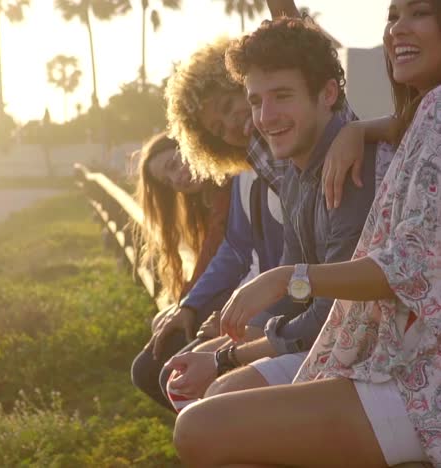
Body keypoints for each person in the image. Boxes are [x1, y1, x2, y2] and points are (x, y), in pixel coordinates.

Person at [173, 1, 441, 466]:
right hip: (389, 359)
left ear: (329, 94)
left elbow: (407, 268)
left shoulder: (357, 167)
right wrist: (361, 130)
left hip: (416, 377)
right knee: (207, 415)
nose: (398, 28)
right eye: (392, 16)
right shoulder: (419, 117)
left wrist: (284, 282)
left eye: (418, 13)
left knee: (203, 425)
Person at [163, 9, 382, 406]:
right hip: (324, 339)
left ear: (328, 95)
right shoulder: (293, 172)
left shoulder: (348, 164)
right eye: (256, 101)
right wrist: (225, 337)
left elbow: (329, 314)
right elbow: (295, 289)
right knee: (183, 379)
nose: (262, 118)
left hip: (368, 357)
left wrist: (225, 355)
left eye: (281, 96)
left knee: (212, 403)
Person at [131, 132, 232, 409]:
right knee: (161, 326)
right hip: (235, 290)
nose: (176, 179)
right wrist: (185, 304)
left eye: (175, 164)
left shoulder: (228, 186)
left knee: (149, 371)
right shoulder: (209, 198)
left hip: (247, 293)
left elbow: (224, 258)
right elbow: (211, 259)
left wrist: (188, 303)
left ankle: (212, 432)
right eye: (168, 179)